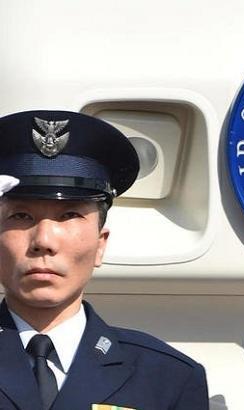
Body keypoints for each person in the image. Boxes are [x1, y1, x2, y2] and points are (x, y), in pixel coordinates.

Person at [0, 110, 209, 409]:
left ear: (101, 244)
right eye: (21, 216)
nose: (44, 241)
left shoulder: (167, 379)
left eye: (69, 215)